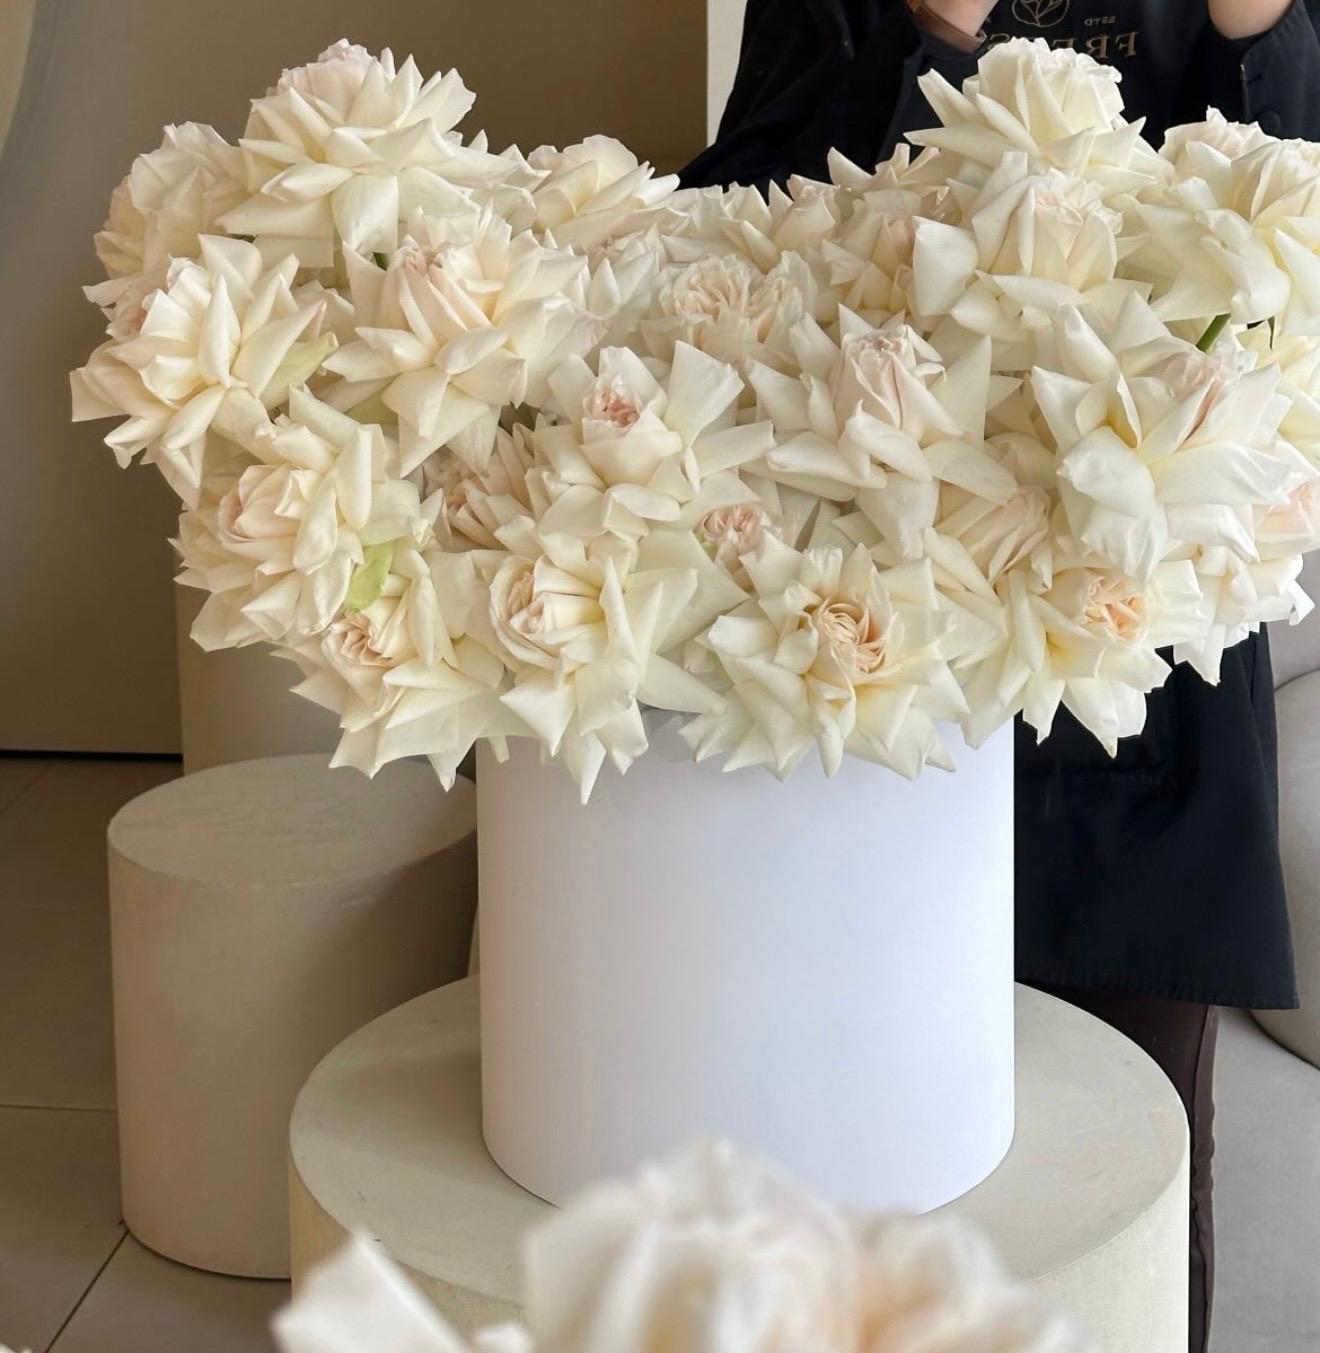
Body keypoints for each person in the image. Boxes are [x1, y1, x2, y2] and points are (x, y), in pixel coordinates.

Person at [683, 4, 1320, 1350]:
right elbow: (733, 223)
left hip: (1150, 682)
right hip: (876, 662)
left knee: (1130, 1177)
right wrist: (931, 36)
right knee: (874, 1154)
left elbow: (1287, 304)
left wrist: (1257, 29)